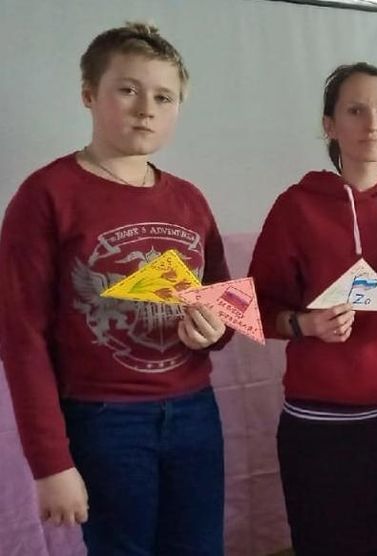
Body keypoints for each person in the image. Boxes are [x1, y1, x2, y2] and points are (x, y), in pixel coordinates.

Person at [0, 22, 231, 554]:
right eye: (128, 89)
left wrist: (215, 329)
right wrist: (51, 463)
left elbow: (224, 305)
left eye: (163, 97)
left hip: (195, 411)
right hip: (103, 420)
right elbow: (21, 337)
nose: (146, 109)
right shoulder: (46, 194)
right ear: (89, 94)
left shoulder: (190, 199)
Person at [248, 62, 377, 555]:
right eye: (356, 111)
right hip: (317, 422)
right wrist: (304, 324)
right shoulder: (296, 207)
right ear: (329, 124)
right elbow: (253, 307)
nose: (371, 124)